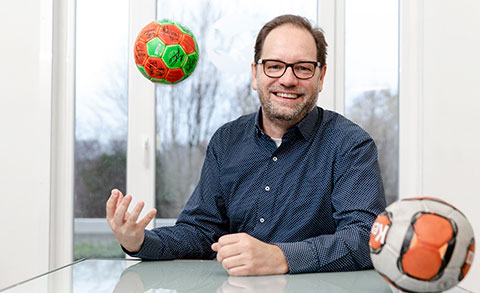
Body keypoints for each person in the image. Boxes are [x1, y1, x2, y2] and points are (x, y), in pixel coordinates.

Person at [106, 14, 386, 276]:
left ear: (320, 77)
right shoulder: (226, 141)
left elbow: (365, 237)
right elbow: (201, 232)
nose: (287, 79)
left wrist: (281, 257)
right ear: (255, 74)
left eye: (302, 68)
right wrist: (140, 241)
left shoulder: (351, 145)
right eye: (274, 66)